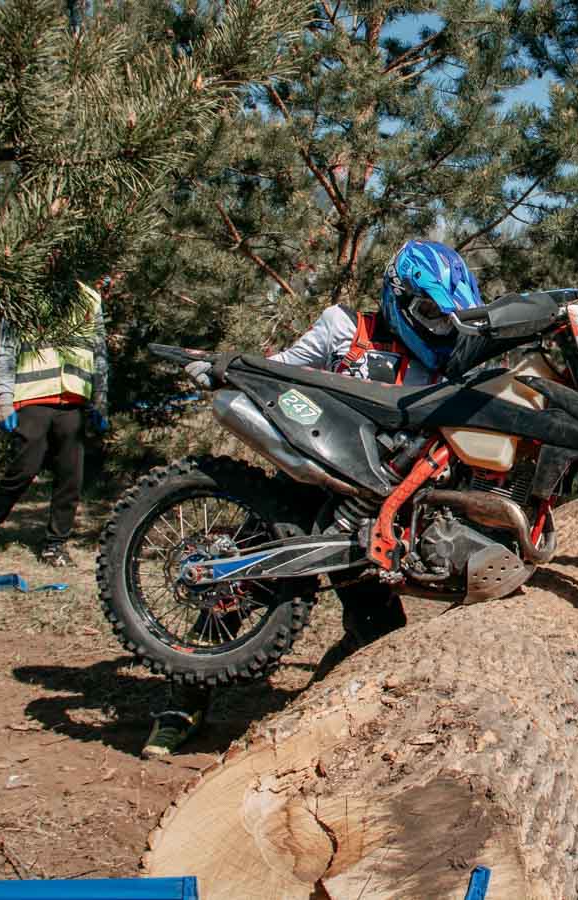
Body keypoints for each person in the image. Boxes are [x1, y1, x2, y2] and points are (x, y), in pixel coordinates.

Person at [141, 239, 484, 757]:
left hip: (369, 513)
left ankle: (308, 714)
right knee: (232, 590)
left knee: (379, 630)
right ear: (398, 297)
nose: (438, 327)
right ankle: (181, 704)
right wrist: (224, 369)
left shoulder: (449, 364)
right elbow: (277, 371)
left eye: (447, 317)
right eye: (428, 313)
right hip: (301, 491)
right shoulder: (344, 328)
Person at [0, 280, 109, 568]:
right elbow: (7, 350)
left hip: (74, 397)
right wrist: (5, 400)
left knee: (71, 477)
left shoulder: (90, 297)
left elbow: (99, 353)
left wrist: (100, 400)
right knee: (24, 468)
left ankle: (55, 545)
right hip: (33, 395)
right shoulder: (23, 291)